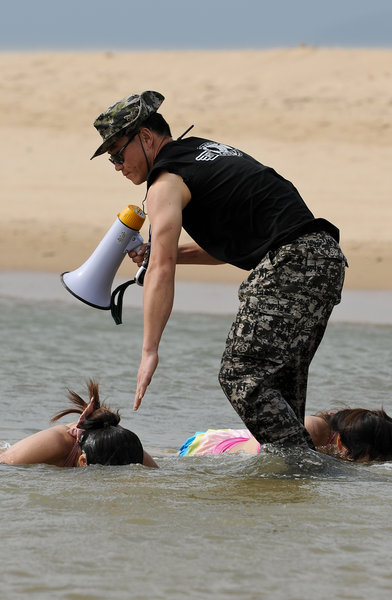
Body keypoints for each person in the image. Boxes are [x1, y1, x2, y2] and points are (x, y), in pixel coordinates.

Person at [90, 90, 347, 451]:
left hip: (291, 261)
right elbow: (227, 248)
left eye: (117, 153)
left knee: (240, 374)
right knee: (280, 392)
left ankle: (305, 468)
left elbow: (161, 271)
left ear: (145, 137)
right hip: (322, 259)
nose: (117, 165)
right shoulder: (200, 153)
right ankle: (295, 490)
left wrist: (149, 351)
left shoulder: (165, 182)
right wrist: (161, 252)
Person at [0, 380, 158, 468]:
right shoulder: (56, 442)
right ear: (83, 462)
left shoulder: (127, 450)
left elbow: (155, 474)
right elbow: (4, 462)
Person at [178, 408, 392, 463]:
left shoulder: (340, 435)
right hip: (212, 449)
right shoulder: (311, 429)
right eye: (371, 457)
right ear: (340, 443)